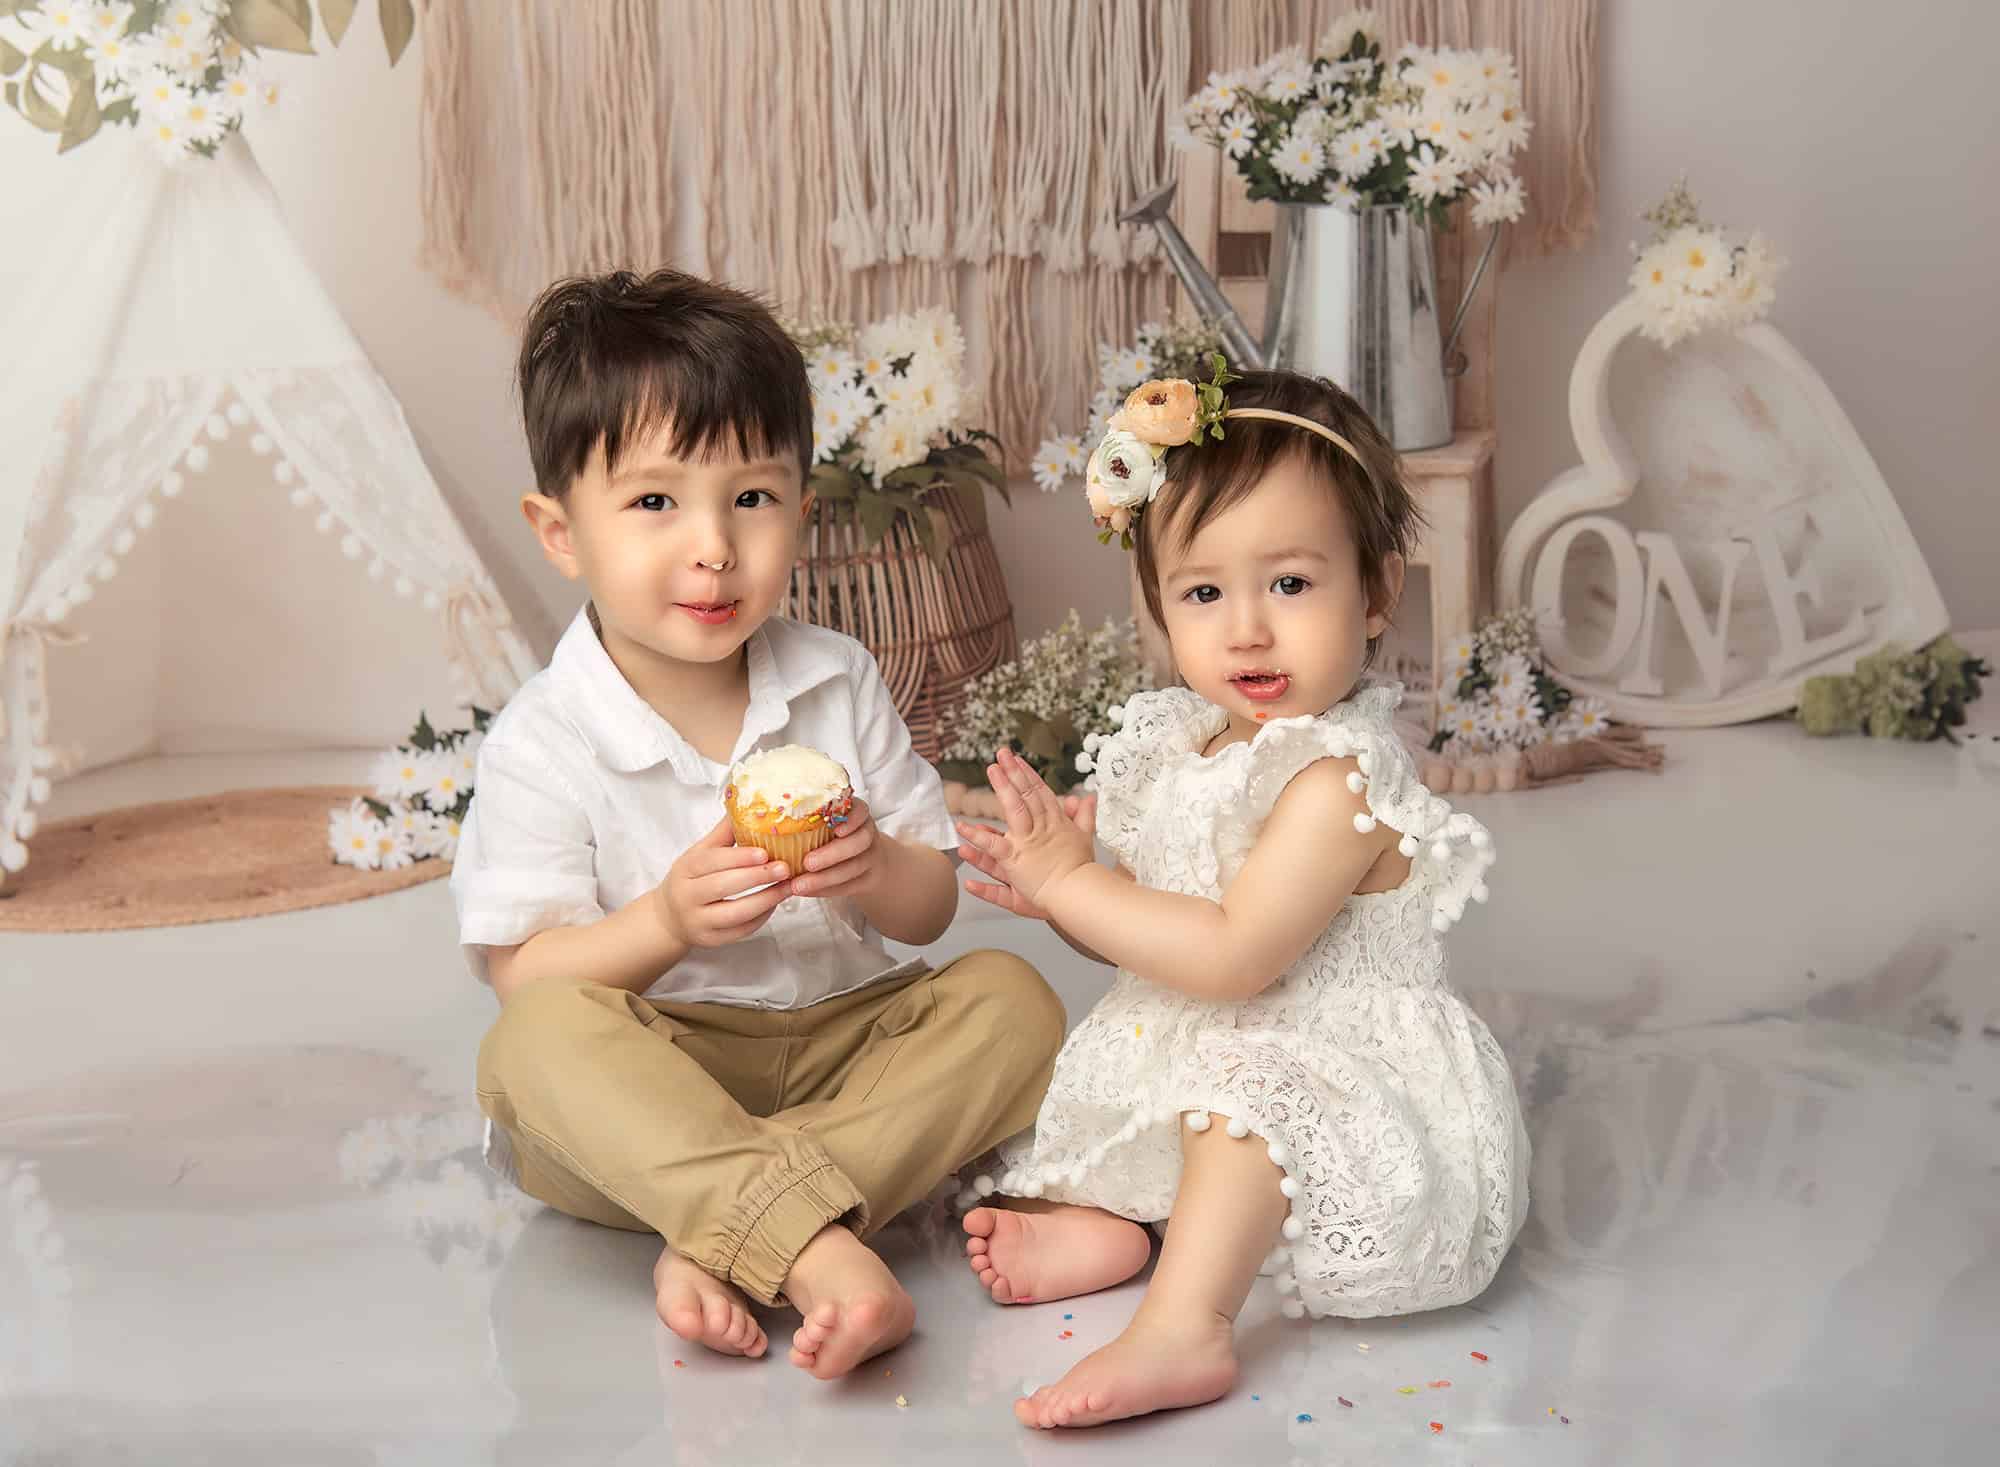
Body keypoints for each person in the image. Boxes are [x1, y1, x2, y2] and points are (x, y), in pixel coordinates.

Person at [454, 269, 1065, 1380]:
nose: (713, 547)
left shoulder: (837, 677)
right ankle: (817, 1245)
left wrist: (873, 867)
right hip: (655, 1078)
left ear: (802, 510)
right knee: (530, 1051)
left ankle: (731, 1231)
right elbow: (526, 977)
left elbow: (929, 909)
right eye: (654, 503)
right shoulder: (544, 737)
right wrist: (665, 923)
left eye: (751, 498)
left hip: (845, 1047)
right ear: (560, 532)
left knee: (1012, 1001)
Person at [955, 367, 1528, 1428]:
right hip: (1213, 1038)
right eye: (1203, 594)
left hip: (1346, 1085)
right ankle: (1126, 1226)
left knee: (1245, 1098)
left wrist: (1078, 884)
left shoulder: (1336, 779)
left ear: (1378, 592)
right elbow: (1159, 946)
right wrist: (1080, 904)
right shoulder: (1188, 744)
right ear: (1159, 604)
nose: (1248, 630)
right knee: (1133, 1083)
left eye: (1291, 584)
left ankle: (1186, 1323)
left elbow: (1229, 957)